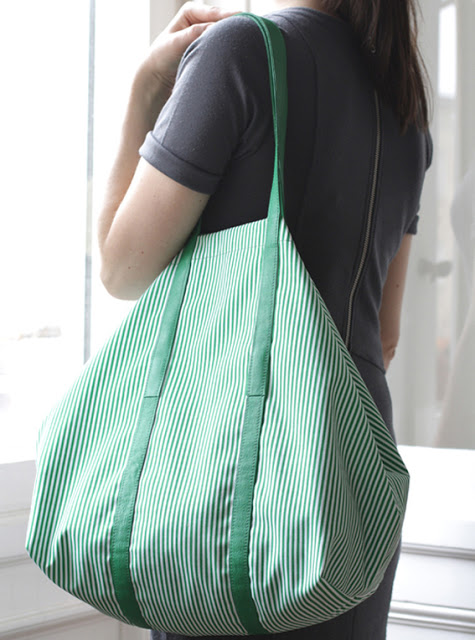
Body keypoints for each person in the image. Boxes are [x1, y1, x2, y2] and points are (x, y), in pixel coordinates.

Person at [97, 1, 432, 638]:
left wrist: (143, 93)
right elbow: (384, 339)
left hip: (237, 484)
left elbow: (122, 269)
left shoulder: (240, 54)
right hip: (355, 489)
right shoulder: (404, 108)